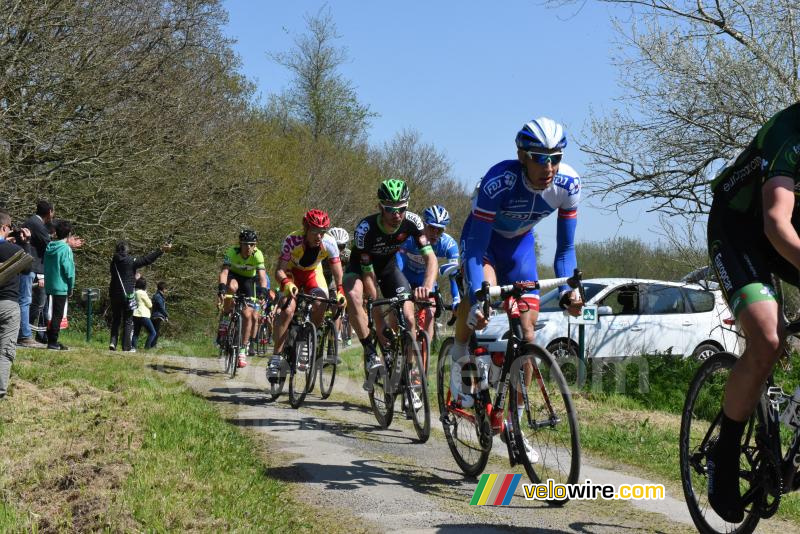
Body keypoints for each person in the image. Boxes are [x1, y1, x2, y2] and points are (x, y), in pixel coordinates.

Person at [450, 117, 584, 461]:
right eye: (540, 157)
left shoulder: (568, 185)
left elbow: (565, 252)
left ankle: (516, 425)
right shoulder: (500, 181)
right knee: (484, 294)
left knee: (527, 336)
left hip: (520, 250)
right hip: (485, 246)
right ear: (522, 155)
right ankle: (459, 354)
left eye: (556, 157)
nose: (549, 167)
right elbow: (477, 249)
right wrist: (481, 295)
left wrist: (571, 291)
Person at [702, 102, 800, 522]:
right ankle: (723, 458)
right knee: (768, 340)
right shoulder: (789, 132)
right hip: (741, 229)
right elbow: (776, 221)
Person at [344, 179, 438, 391]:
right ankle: (369, 350)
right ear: (380, 208)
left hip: (387, 267)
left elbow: (431, 260)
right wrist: (377, 315)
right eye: (390, 210)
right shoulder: (365, 229)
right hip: (360, 269)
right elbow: (369, 276)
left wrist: (427, 286)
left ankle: (410, 372)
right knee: (357, 295)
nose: (397, 215)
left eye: (401, 209)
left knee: (409, 317)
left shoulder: (413, 222)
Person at [268, 210, 346, 379]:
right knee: (288, 310)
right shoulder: (292, 240)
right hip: (291, 273)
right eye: (315, 231)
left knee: (321, 301)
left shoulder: (329, 242)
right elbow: (279, 270)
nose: (319, 236)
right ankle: (275, 358)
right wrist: (286, 283)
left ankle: (308, 339)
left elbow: (337, 270)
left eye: (322, 232)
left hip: (312, 274)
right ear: (305, 228)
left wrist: (340, 291)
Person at [396, 204, 461, 345]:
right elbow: (398, 265)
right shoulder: (410, 238)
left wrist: (456, 298)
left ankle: (423, 359)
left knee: (431, 311)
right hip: (405, 276)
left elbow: (453, 274)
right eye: (431, 227)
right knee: (397, 309)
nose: (435, 233)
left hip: (425, 279)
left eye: (440, 230)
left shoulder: (448, 244)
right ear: (424, 224)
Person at [217, 229, 269, 368]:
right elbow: (224, 272)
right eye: (245, 244)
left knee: (248, 315)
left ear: (255, 245)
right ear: (240, 244)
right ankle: (226, 316)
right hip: (234, 276)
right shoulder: (232, 252)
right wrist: (222, 288)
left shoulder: (258, 255)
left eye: (251, 244)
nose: (248, 248)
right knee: (232, 288)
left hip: (248, 281)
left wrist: (263, 293)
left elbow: (262, 277)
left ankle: (242, 350)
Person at [109, 240, 171, 352]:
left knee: (116, 319)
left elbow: (119, 276)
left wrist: (132, 277)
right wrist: (161, 250)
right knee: (127, 320)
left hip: (114, 293)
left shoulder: (113, 261)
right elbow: (147, 259)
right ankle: (126, 346)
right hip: (127, 294)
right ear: (127, 250)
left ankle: (113, 342)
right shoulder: (131, 260)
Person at [0, 210, 32, 399]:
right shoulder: (13, 250)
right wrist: (24, 243)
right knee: (5, 350)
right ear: (5, 227)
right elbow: (28, 267)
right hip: (8, 304)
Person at [18, 200, 53, 347]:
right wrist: (66, 244)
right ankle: (25, 336)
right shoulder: (37, 224)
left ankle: (25, 333)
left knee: (29, 301)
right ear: (49, 212)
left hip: (29, 267)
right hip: (29, 267)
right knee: (26, 300)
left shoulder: (34, 222)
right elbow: (50, 246)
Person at [43, 220, 75, 351]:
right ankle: (53, 341)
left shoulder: (49, 246)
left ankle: (50, 339)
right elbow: (69, 270)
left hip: (50, 284)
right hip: (61, 286)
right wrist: (71, 286)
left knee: (49, 313)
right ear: (68, 234)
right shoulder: (65, 249)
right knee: (58, 314)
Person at [325, 227, 353, 345]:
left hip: (334, 280)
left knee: (336, 308)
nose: (338, 249)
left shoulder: (347, 254)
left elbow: (354, 271)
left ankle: (333, 341)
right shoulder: (322, 250)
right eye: (336, 246)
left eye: (341, 246)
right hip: (320, 277)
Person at [131, 278, 157, 350]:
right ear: (144, 285)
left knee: (136, 333)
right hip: (143, 314)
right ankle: (146, 348)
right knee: (153, 332)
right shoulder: (143, 293)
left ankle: (134, 348)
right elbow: (150, 305)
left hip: (135, 314)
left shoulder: (134, 292)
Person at [150, 281, 168, 348]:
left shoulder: (158, 295)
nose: (166, 290)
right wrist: (166, 315)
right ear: (163, 289)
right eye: (166, 289)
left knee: (155, 331)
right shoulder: (158, 296)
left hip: (157, 315)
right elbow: (161, 307)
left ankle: (153, 345)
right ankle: (152, 345)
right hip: (157, 316)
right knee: (155, 332)